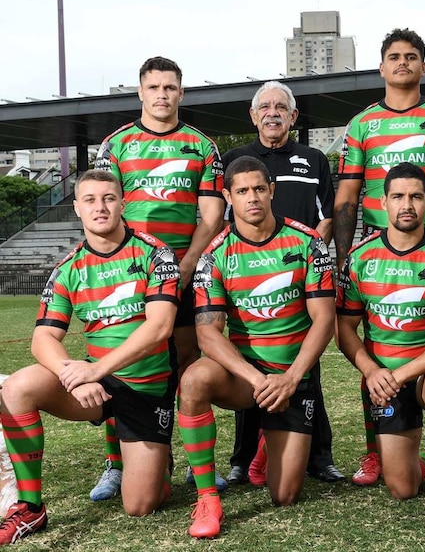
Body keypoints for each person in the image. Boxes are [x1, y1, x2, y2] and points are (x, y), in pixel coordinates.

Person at [0, 170, 179, 545]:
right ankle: (30, 508)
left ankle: (157, 461)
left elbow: (160, 327)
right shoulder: (68, 269)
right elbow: (43, 338)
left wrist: (94, 370)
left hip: (145, 387)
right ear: (78, 209)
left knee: (140, 505)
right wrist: (73, 375)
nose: (101, 207)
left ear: (122, 203)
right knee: (17, 387)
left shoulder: (155, 253)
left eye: (109, 198)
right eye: (91, 200)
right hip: (99, 382)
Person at [333, 28, 425, 487]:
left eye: (411, 56)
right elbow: (348, 194)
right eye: (394, 57)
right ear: (381, 67)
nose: (402, 63)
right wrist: (342, 255)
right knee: (379, 342)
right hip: (378, 248)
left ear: (423, 66)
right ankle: (376, 449)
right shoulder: (361, 125)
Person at [91, 56, 226, 500]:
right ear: (141, 92)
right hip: (130, 272)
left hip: (184, 272)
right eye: (154, 87)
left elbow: (211, 215)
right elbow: (101, 208)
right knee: (125, 363)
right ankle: (118, 462)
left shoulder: (202, 146)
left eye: (170, 87)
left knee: (186, 361)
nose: (162, 95)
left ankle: (194, 461)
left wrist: (186, 264)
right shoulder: (116, 146)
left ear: (181, 93)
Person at [179, 155, 335, 539]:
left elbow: (324, 320)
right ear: (228, 196)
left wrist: (290, 378)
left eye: (259, 189)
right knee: (194, 379)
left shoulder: (308, 241)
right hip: (245, 377)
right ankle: (207, 496)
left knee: (283, 495)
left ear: (272, 191)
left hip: (292, 375)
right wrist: (260, 380)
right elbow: (208, 334)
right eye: (243, 191)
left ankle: (268, 445)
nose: (253, 197)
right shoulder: (215, 253)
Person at [336, 162, 425, 537]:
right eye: (398, 196)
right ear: (382, 203)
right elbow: (344, 330)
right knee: (402, 488)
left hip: (424, 378)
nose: (407, 204)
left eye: (415, 196)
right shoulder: (360, 258)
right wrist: (371, 370)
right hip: (384, 382)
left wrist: (399, 374)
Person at [220, 81, 343, 485]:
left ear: (293, 117)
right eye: (264, 107)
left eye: (281, 107)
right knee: (248, 359)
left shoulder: (313, 159)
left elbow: (327, 217)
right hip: (246, 275)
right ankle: (243, 457)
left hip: (299, 272)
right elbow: (225, 217)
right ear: (253, 116)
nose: (273, 113)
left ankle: (319, 456)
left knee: (306, 365)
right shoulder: (233, 158)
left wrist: (306, 258)